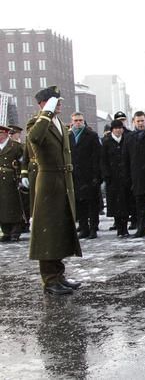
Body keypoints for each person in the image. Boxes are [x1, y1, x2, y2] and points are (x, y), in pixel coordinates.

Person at [28, 86, 82, 295]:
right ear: (43, 103)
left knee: (60, 230)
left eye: (58, 101)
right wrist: (46, 114)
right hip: (49, 182)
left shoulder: (59, 123)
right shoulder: (38, 122)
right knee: (48, 232)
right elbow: (34, 138)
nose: (59, 104)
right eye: (53, 101)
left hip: (62, 182)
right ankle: (49, 280)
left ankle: (59, 276)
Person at [69, 112, 102, 239]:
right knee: (80, 204)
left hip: (89, 175)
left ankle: (93, 228)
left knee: (92, 204)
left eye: (80, 120)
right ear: (72, 122)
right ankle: (84, 228)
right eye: (76, 120)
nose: (78, 122)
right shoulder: (69, 136)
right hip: (75, 176)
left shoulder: (91, 135)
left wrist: (96, 175)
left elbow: (97, 156)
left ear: (84, 121)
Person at [101, 120, 131, 237]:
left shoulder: (126, 141)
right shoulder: (107, 142)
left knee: (126, 204)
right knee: (115, 205)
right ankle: (119, 227)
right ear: (112, 130)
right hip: (113, 179)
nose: (118, 130)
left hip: (125, 178)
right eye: (116, 128)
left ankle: (125, 228)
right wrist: (106, 175)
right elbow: (103, 160)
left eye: (120, 128)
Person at [0, 125, 24, 242]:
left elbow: (23, 162)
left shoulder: (16, 146)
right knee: (2, 207)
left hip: (12, 180)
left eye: (1, 134)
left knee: (13, 206)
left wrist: (21, 177)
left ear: (5, 133)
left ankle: (15, 231)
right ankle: (6, 231)